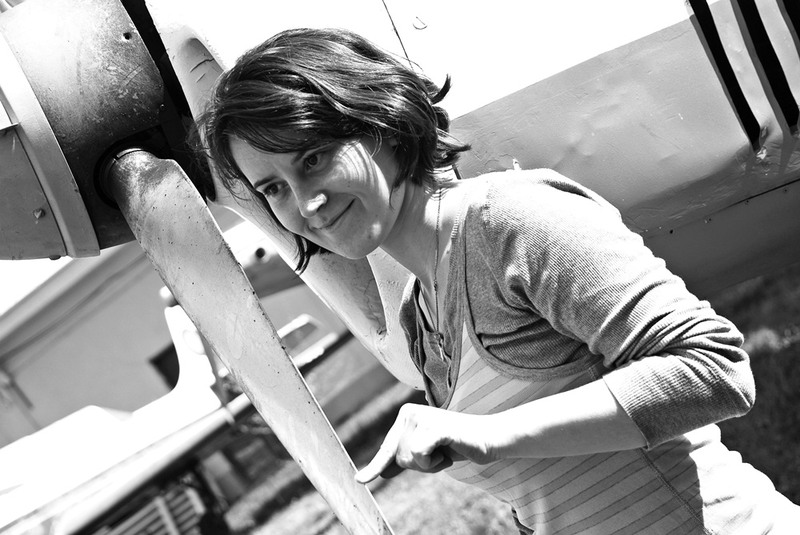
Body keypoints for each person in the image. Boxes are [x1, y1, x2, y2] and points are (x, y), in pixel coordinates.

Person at [195, 27, 799, 534]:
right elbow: (552, 491)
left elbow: (714, 370)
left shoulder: (509, 221)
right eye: (273, 189)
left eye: (313, 157)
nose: (306, 202)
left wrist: (487, 434)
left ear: (376, 121)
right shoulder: (420, 316)